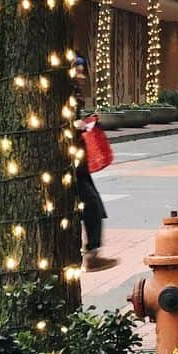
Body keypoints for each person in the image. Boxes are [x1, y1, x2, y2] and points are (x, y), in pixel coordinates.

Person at [71, 54, 118, 273]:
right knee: (90, 206)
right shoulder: (65, 96)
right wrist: (76, 125)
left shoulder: (74, 95)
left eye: (83, 70)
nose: (81, 75)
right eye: (77, 70)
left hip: (78, 164)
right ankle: (90, 255)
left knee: (94, 207)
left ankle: (91, 253)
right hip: (71, 166)